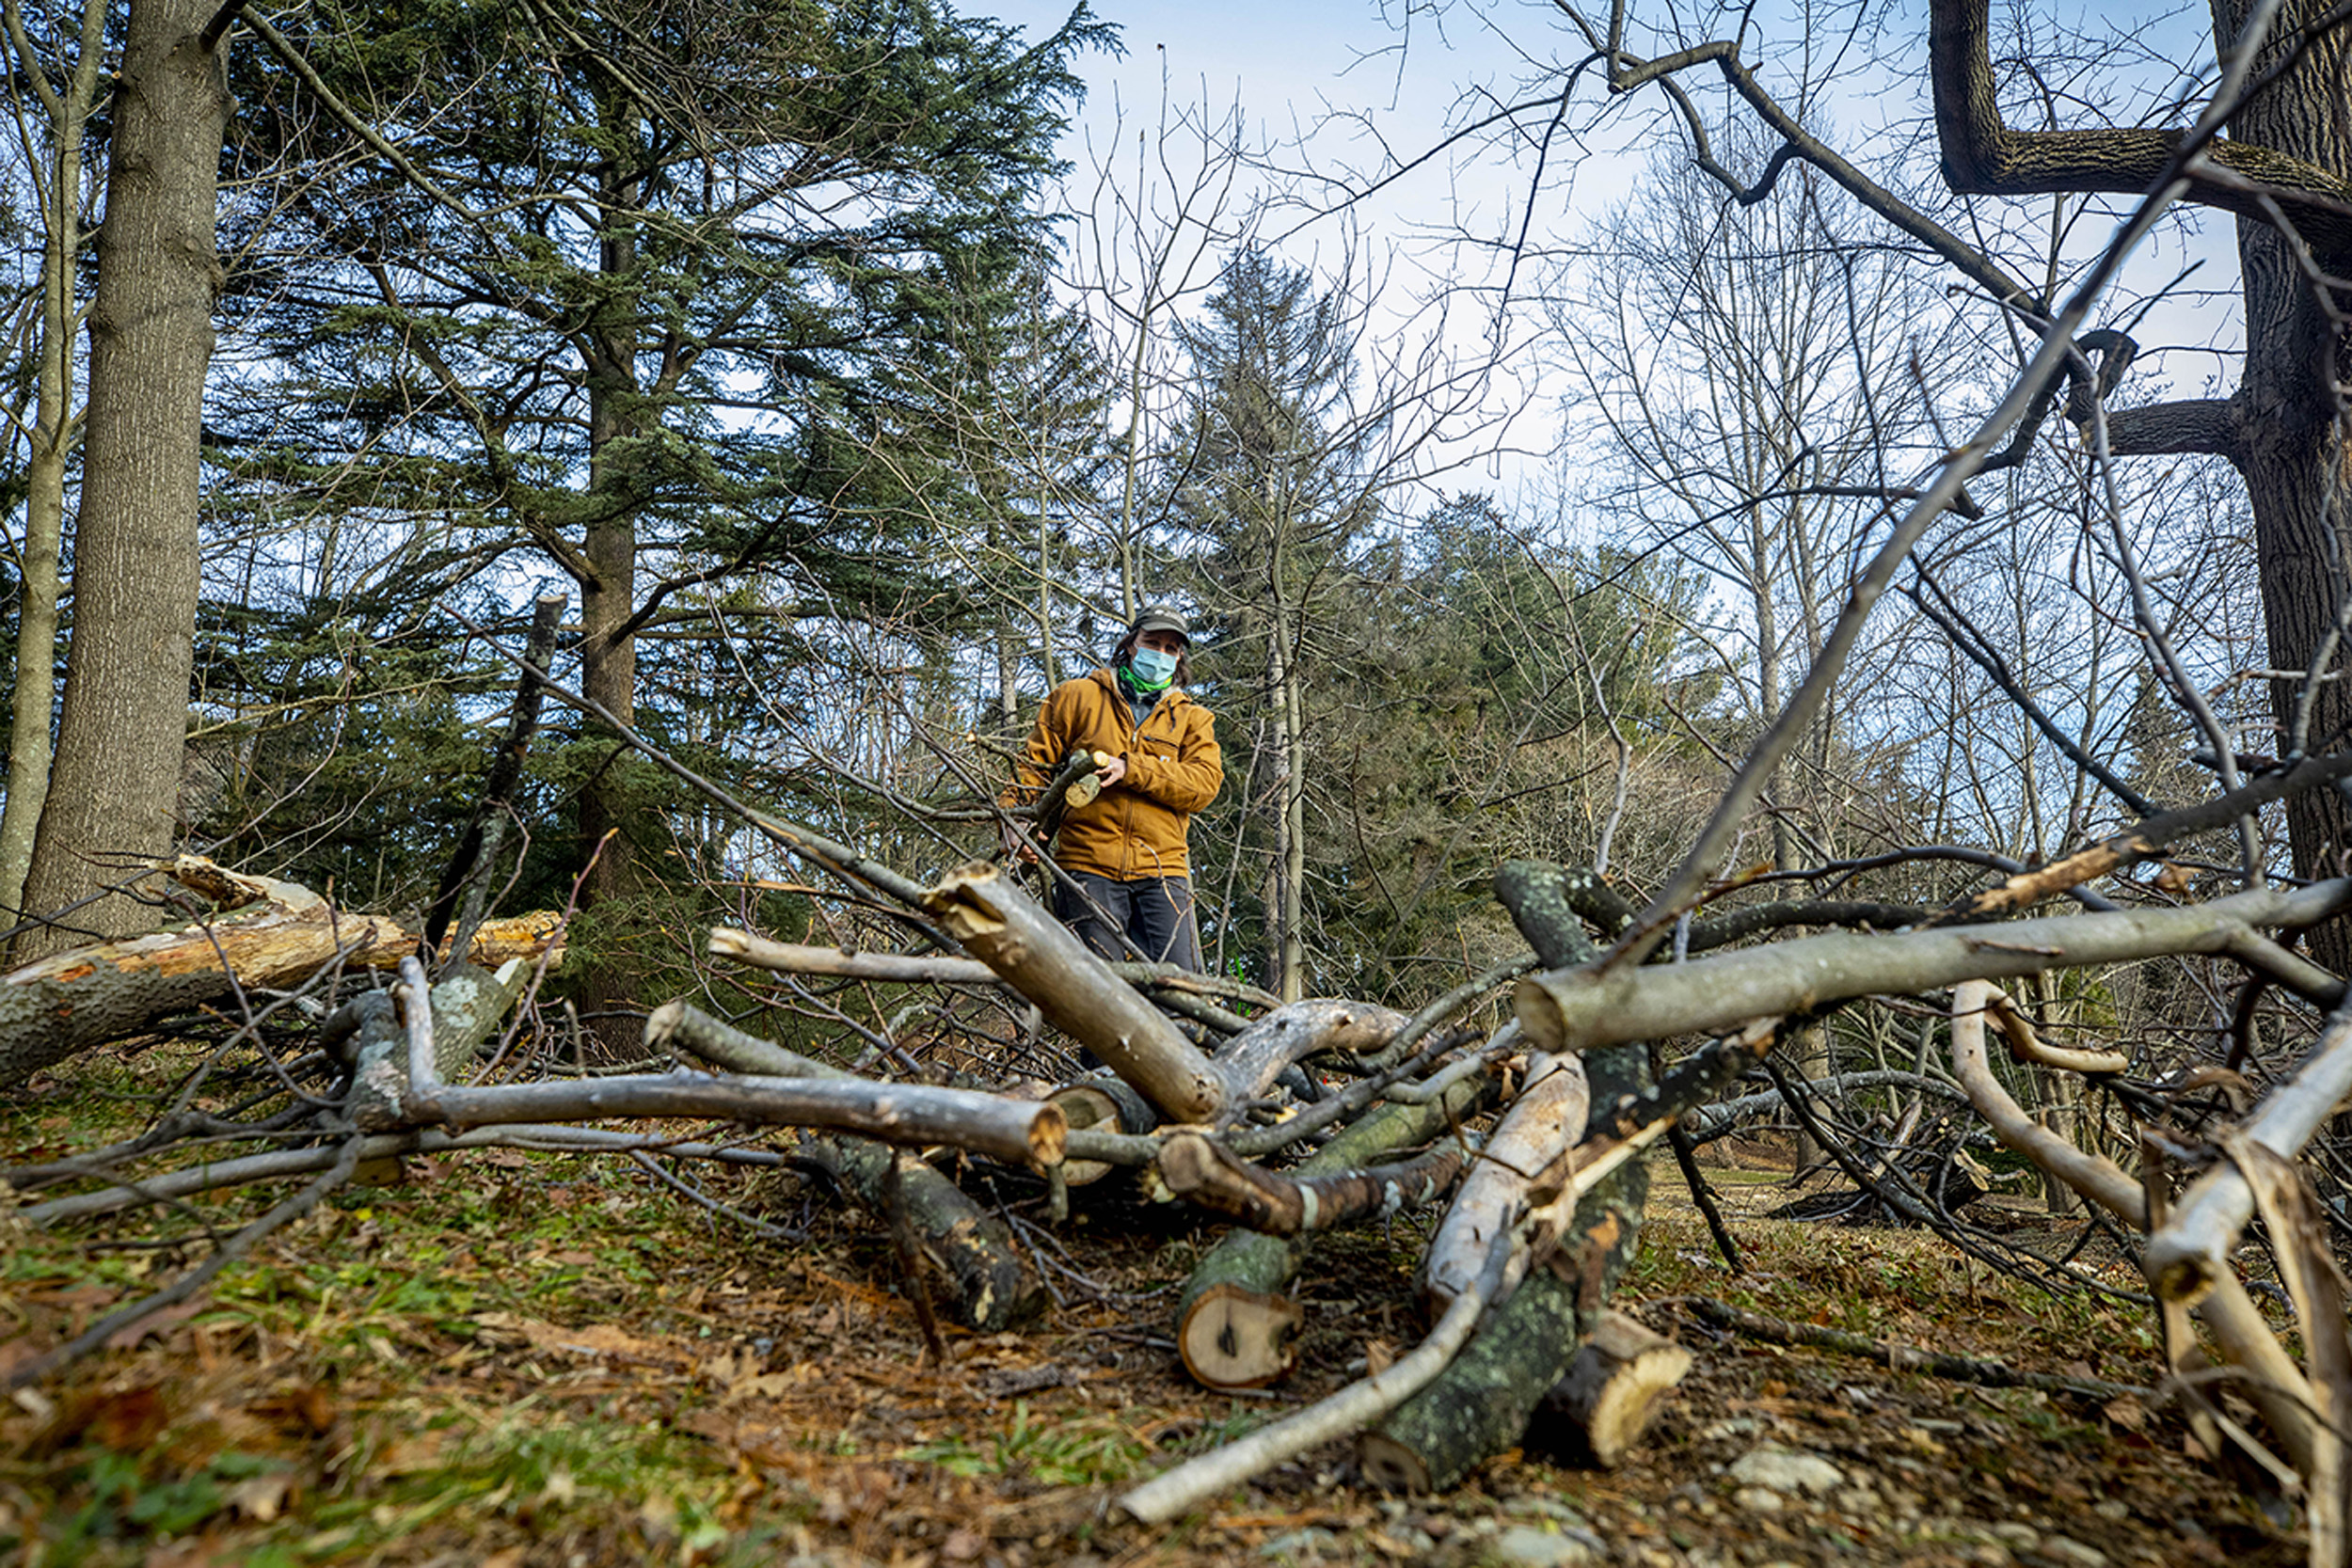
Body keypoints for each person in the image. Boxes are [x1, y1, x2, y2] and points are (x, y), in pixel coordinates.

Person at [1003, 604, 1222, 972]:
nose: (1162, 654)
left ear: (1180, 656)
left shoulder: (1192, 719)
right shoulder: (1076, 697)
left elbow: (1204, 785)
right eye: (1153, 642)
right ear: (1132, 644)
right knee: (1099, 989)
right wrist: (1014, 821)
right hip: (1088, 866)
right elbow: (1032, 766)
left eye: (1172, 648)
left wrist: (1132, 768)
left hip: (1163, 873)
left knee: (1182, 991)